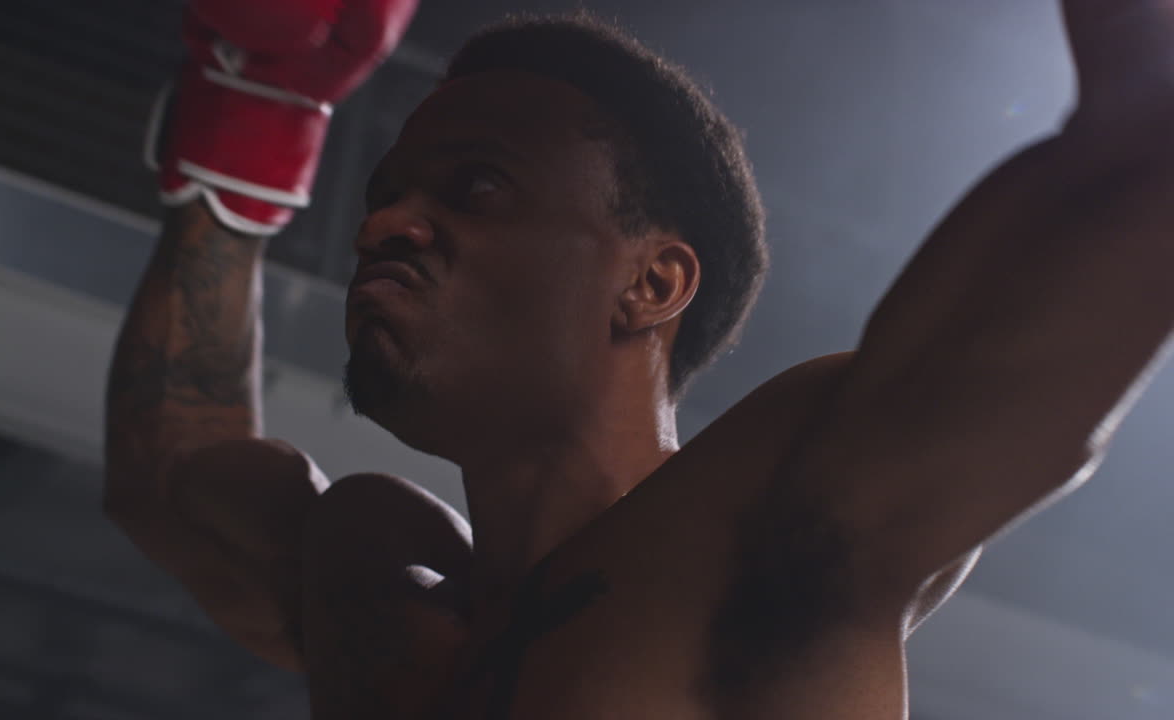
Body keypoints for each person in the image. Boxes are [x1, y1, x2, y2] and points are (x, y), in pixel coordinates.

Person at [103, 0, 1174, 717]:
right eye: (386, 194)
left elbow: (1136, 169)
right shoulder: (372, 576)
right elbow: (168, 467)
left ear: (651, 285)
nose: (388, 223)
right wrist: (252, 124)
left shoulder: (772, 515)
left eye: (474, 189)